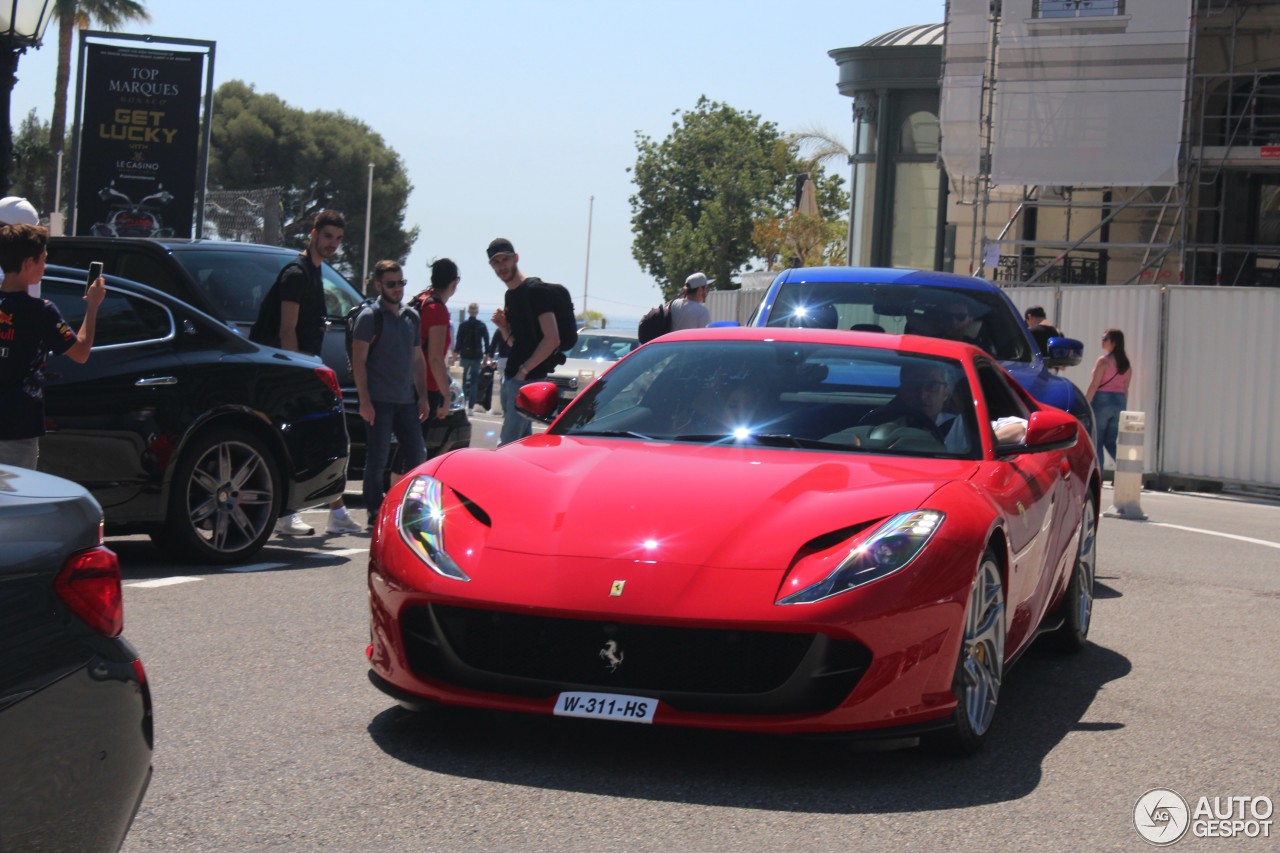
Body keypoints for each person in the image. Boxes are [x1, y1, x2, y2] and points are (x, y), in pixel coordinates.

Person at [252, 209, 361, 536]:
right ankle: (287, 515)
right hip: (287, 370)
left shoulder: (317, 272)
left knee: (322, 436)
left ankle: (336, 511)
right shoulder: (297, 274)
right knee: (300, 440)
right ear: (313, 234)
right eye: (328, 236)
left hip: (306, 365)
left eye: (338, 239)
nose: (333, 244)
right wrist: (299, 373)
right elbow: (287, 330)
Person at [0, 223, 106, 469]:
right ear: (29, 263)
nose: (45, 267)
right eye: (43, 260)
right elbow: (80, 353)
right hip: (17, 424)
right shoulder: (41, 310)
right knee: (16, 502)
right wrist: (92, 307)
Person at [351, 260, 431, 529]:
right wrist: (364, 401)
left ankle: (410, 509)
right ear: (378, 285)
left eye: (401, 283)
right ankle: (374, 511)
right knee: (377, 459)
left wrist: (423, 396)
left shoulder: (412, 317)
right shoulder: (369, 318)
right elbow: (358, 361)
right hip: (378, 401)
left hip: (406, 401)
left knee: (418, 455)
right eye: (391, 284)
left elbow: (418, 360)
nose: (398, 289)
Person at [487, 238, 561, 445]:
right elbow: (516, 344)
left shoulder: (535, 290)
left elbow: (552, 338)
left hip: (526, 380)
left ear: (516, 258)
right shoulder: (511, 295)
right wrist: (503, 327)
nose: (502, 266)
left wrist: (524, 370)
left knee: (508, 444)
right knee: (523, 445)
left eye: (505, 260)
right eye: (496, 262)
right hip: (513, 378)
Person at [857, 361, 1026, 451]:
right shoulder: (884, 430)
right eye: (914, 387)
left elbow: (1020, 428)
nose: (923, 395)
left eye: (932, 387)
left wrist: (981, 442)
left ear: (946, 393)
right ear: (903, 392)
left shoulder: (963, 427)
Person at [418, 258, 460, 422]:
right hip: (426, 387)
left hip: (406, 381)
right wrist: (446, 395)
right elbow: (435, 358)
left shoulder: (421, 300)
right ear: (454, 283)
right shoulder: (437, 310)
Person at [1085, 327, 1132, 471]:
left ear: (1114, 342)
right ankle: (1128, 469)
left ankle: (1099, 474)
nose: (1102, 341)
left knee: (1097, 440)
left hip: (1102, 401)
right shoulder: (1126, 364)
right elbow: (1125, 389)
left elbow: (1094, 384)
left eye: (1105, 339)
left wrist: (1086, 403)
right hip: (1119, 402)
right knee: (1111, 442)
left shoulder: (1103, 361)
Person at [453, 301, 489, 412]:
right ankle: (471, 407)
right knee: (474, 382)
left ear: (469, 312)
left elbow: (459, 341)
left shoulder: (463, 325)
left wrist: (455, 354)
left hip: (465, 355)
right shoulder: (481, 325)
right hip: (477, 356)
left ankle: (463, 404)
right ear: (477, 312)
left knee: (463, 381)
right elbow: (487, 342)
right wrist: (486, 357)